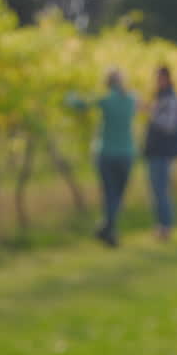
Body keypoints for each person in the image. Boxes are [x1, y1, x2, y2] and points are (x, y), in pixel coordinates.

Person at [69, 68, 136, 247]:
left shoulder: (106, 100)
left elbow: (80, 104)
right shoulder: (131, 99)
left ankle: (107, 229)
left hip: (106, 153)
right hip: (126, 154)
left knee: (109, 194)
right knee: (117, 196)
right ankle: (108, 230)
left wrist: (70, 95)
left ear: (108, 83)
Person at [143, 65, 177, 241]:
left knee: (161, 191)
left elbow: (169, 125)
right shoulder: (162, 97)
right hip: (155, 152)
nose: (157, 81)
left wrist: (151, 113)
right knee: (156, 191)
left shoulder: (172, 99)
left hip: (163, 152)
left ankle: (166, 227)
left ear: (167, 79)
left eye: (160, 78)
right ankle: (161, 226)